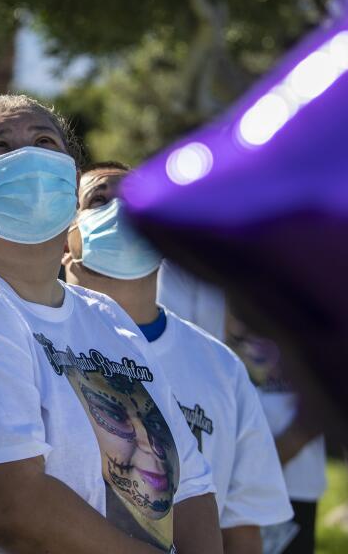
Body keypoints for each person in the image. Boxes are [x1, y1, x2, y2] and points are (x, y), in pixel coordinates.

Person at [0, 94, 221, 553]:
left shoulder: (105, 316)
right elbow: (8, 505)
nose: (28, 156)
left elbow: (188, 484)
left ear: (71, 184)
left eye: (45, 141)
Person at [63, 162, 294, 554]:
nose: (119, 211)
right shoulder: (38, 339)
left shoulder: (222, 368)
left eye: (133, 202)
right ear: (67, 235)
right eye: (99, 199)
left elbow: (240, 528)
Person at [158, 261, 326, 554]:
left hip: (295, 482)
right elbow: (171, 362)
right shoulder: (182, 262)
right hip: (205, 480)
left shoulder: (309, 261)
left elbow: (331, 371)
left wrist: (276, 452)